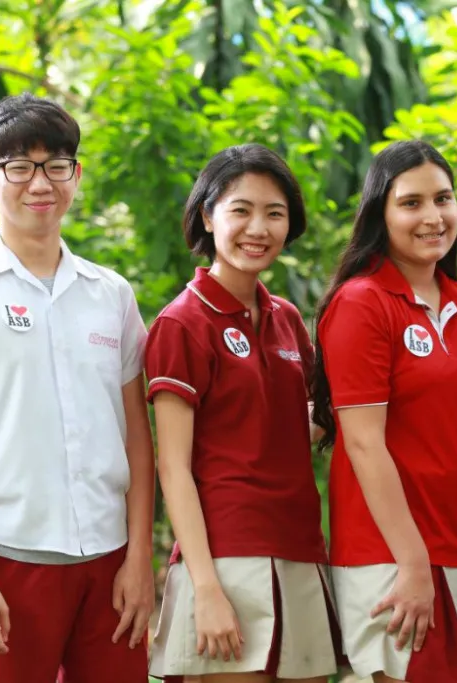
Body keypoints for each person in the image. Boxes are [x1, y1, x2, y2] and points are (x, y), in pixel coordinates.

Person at [0, 92, 154, 683]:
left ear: (75, 174)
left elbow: (136, 439)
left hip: (110, 563)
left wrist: (139, 557)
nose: (40, 183)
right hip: (7, 563)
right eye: (20, 166)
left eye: (56, 165)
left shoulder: (111, 294)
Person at [310, 139, 457, 683]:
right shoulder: (360, 303)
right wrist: (412, 563)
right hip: (391, 561)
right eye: (411, 203)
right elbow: (362, 443)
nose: (432, 216)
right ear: (380, 213)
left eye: (443, 199)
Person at [145, 143, 341, 683]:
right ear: (208, 216)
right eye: (241, 210)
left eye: (274, 213)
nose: (258, 227)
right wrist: (206, 589)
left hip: (299, 547)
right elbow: (173, 468)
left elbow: (293, 425)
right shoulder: (182, 323)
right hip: (226, 561)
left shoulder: (286, 318)